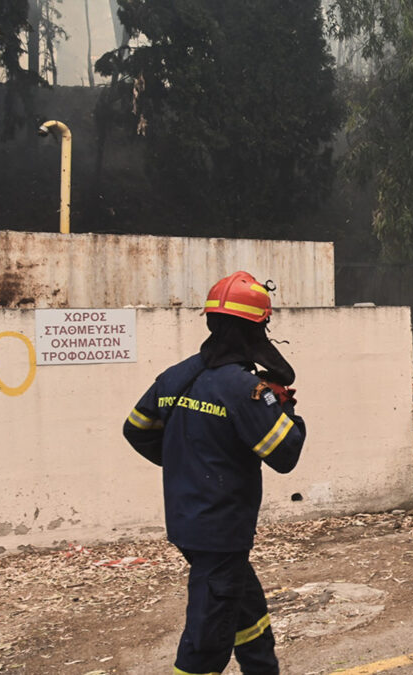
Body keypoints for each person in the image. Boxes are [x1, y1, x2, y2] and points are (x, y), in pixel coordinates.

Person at [123, 271, 306, 675]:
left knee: (248, 610)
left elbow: (135, 429)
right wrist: (285, 406)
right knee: (207, 636)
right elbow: (285, 454)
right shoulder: (244, 390)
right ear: (257, 328)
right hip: (221, 532)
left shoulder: (176, 377)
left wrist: (185, 464)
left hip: (189, 521)